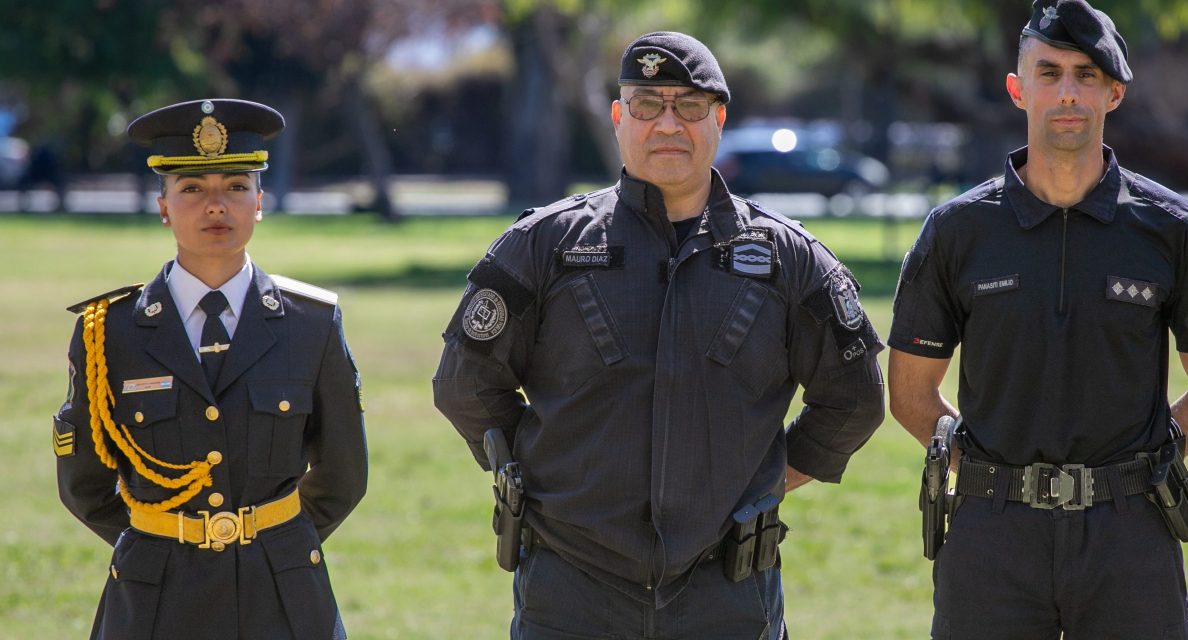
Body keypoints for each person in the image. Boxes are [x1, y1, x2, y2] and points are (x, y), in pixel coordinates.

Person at [434, 31, 885, 639]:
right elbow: (466, 384)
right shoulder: (547, 246)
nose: (667, 124)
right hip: (571, 587)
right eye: (647, 105)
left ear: (719, 119)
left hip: (727, 590)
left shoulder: (785, 258)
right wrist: (546, 467)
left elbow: (854, 397)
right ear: (620, 118)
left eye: (690, 106)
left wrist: (769, 477)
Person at [888, 1, 1188, 638]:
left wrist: (1142, 469)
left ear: (1115, 93)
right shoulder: (956, 232)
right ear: (1018, 90)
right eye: (1049, 73)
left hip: (1130, 535)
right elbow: (910, 393)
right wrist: (983, 472)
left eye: (1087, 75)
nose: (1068, 93)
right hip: (990, 540)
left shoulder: (1174, 230)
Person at [54, 98, 368, 639]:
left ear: (260, 202)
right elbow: (84, 483)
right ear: (163, 207)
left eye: (236, 187)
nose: (216, 206)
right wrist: (161, 542)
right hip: (154, 599)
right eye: (193, 190)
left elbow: (344, 473)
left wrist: (272, 544)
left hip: (284, 597)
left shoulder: (310, 324)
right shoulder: (109, 332)